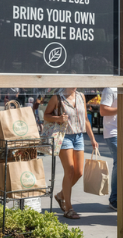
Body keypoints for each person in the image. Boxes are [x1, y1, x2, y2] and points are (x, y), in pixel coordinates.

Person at [43, 88, 99, 219]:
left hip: (79, 136)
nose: (74, 86)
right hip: (64, 136)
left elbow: (85, 118)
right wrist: (58, 118)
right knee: (69, 171)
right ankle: (68, 208)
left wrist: (92, 138)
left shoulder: (81, 96)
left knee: (79, 172)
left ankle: (61, 195)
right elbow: (46, 115)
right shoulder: (57, 98)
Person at [99, 87, 119, 211]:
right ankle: (114, 199)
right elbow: (103, 111)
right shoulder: (110, 89)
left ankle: (122, 196)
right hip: (113, 132)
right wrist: (122, 108)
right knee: (120, 163)